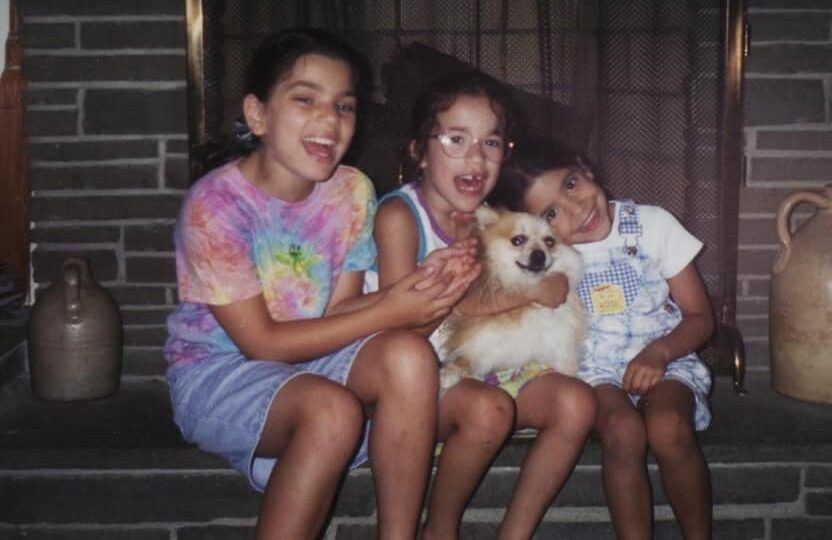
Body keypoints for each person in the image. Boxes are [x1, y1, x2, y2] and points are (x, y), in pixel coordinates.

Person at [163, 28, 479, 540]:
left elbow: (340, 313)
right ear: (257, 114)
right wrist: (392, 309)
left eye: (344, 106)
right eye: (305, 99)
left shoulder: (352, 191)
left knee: (409, 356)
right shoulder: (214, 206)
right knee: (331, 411)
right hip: (220, 373)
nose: (330, 120)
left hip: (312, 360)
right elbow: (262, 344)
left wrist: (428, 288)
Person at [366, 73, 597, 540]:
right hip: (407, 385)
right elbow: (403, 327)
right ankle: (441, 528)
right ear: (418, 151)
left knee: (576, 404)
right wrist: (528, 292)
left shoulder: (491, 217)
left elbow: (543, 252)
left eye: (491, 142)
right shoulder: (400, 216)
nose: (476, 157)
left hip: (474, 367)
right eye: (456, 140)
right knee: (488, 411)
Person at [490, 136, 715, 540]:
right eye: (552, 213)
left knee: (668, 427)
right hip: (595, 370)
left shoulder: (653, 224)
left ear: (585, 167)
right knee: (622, 431)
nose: (576, 209)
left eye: (571, 184)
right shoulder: (548, 256)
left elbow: (700, 318)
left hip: (666, 355)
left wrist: (659, 352)